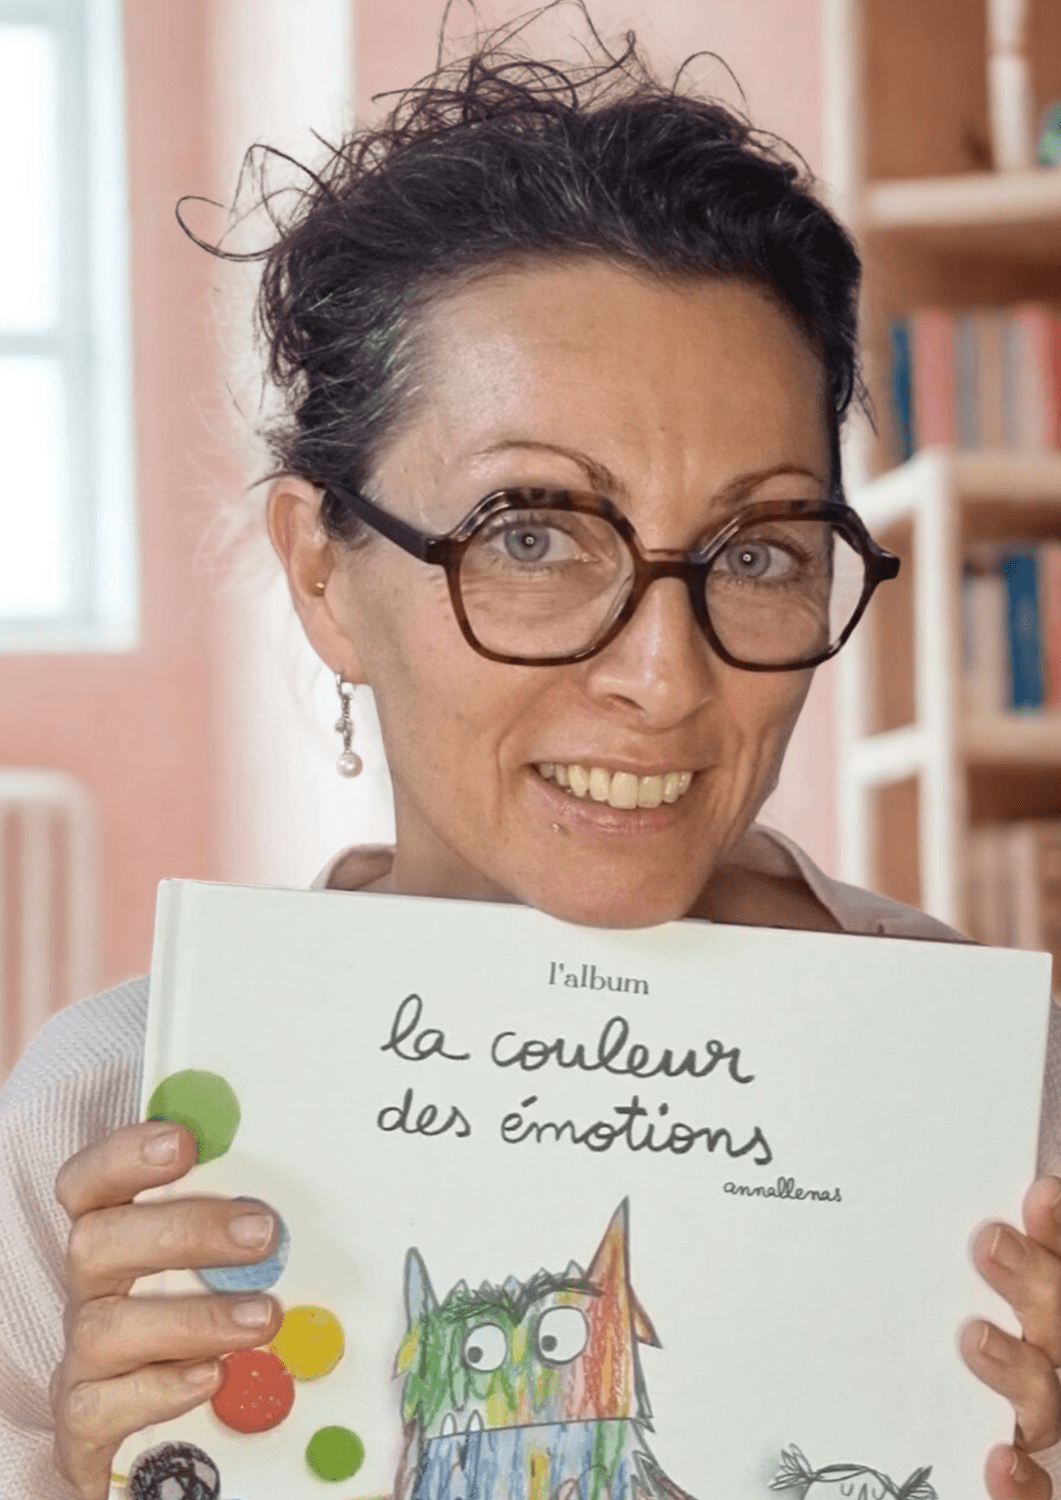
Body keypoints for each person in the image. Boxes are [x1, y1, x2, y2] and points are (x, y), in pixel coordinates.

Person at [2, 20, 1060, 1500]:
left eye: (759, 549)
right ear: (322, 572)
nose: (663, 678)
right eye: (532, 535)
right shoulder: (108, 1117)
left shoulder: (1009, 1117)